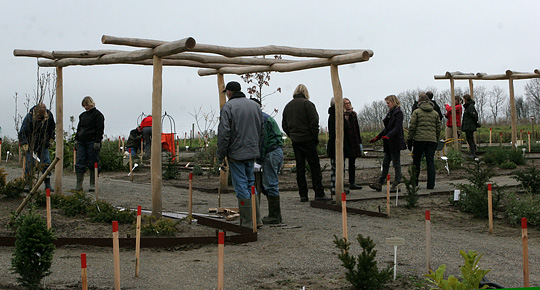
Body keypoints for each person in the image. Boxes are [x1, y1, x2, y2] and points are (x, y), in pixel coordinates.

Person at [217, 81, 263, 227]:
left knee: (241, 186)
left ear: (229, 92)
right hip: (252, 152)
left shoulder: (229, 107)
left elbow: (224, 133)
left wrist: (221, 155)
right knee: (251, 184)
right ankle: (257, 219)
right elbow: (261, 129)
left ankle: (247, 222)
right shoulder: (255, 106)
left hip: (236, 153)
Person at [282, 84, 331, 202]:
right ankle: (319, 193)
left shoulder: (288, 106)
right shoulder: (308, 104)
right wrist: (314, 138)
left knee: (300, 167)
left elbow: (284, 125)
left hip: (296, 140)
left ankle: (303, 194)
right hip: (308, 140)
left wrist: (292, 135)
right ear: (306, 92)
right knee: (314, 166)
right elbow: (314, 122)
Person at [251, 98, 284, 224]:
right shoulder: (264, 117)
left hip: (271, 152)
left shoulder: (261, 120)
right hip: (275, 151)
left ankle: (275, 216)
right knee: (269, 182)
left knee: (270, 183)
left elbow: (263, 141)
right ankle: (274, 214)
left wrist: (259, 159)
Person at [368, 95, 407, 192]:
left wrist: (389, 135)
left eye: (388, 103)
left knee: (396, 163)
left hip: (395, 141)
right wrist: (378, 137)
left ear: (393, 102)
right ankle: (380, 182)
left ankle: (397, 182)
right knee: (385, 163)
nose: (387, 105)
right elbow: (387, 128)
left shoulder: (398, 113)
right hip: (389, 142)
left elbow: (397, 127)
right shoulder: (390, 113)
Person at [407, 93, 441, 189]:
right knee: (430, 162)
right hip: (432, 140)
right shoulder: (435, 113)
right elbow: (438, 128)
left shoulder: (416, 112)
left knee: (416, 161)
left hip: (419, 140)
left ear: (420, 102)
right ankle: (431, 184)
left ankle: (414, 182)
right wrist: (436, 139)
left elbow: (412, 127)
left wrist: (409, 140)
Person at [19, 103, 56, 191]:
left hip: (43, 143)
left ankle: (47, 184)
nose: (40, 118)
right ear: (36, 111)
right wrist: (24, 143)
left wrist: (51, 138)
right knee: (29, 163)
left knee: (46, 162)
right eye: (39, 116)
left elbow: (52, 128)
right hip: (30, 144)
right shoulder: (29, 118)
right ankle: (28, 184)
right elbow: (22, 132)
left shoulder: (49, 116)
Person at [74, 96, 105, 192]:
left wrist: (97, 141)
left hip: (92, 141)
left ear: (91, 103)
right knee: (79, 162)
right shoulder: (82, 116)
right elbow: (79, 128)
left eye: (87, 105)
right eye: (84, 106)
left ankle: (92, 184)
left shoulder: (98, 115)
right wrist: (76, 139)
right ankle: (79, 185)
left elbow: (100, 129)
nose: (86, 107)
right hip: (82, 142)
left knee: (93, 162)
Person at [327, 97, 351, 197]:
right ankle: (338, 188)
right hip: (338, 145)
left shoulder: (332, 115)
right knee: (339, 168)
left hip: (333, 145)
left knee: (334, 168)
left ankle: (334, 187)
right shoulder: (338, 115)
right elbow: (344, 129)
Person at [343, 98, 363, 190]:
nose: (348, 105)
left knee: (352, 163)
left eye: (349, 103)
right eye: (346, 103)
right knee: (342, 163)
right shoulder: (342, 116)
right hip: (345, 141)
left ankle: (352, 182)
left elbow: (356, 129)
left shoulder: (353, 115)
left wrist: (359, 142)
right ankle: (341, 183)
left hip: (353, 141)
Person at [461, 94, 479, 158]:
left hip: (469, 126)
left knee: (470, 139)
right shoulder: (468, 107)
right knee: (469, 139)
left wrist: (472, 123)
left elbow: (474, 116)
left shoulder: (470, 107)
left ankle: (473, 153)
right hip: (468, 125)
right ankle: (473, 152)